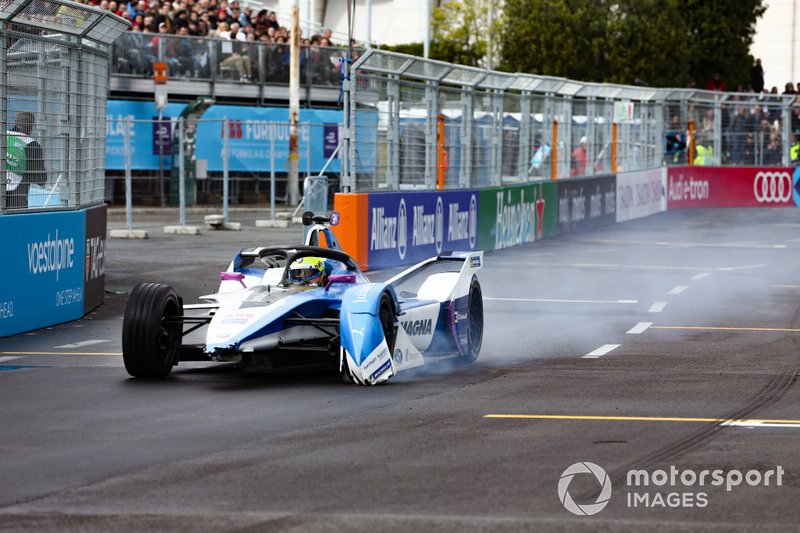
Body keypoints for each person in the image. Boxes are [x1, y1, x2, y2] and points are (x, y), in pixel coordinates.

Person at [4, 111, 46, 209]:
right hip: (17, 199)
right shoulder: (31, 145)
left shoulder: (3, 136)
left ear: (15, 123)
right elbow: (40, 179)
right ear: (31, 128)